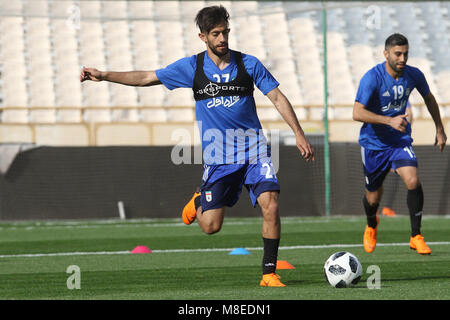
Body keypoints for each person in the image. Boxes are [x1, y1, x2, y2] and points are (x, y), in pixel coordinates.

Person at [80, 5, 314, 286]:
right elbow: (146, 77)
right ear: (203, 37)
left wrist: (298, 133)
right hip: (219, 159)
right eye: (216, 34)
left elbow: (277, 97)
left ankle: (268, 273)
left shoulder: (248, 64)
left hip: (255, 152)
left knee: (271, 204)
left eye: (225, 32)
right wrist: (104, 75)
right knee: (211, 227)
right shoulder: (192, 67)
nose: (223, 38)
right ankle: (199, 200)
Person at [353, 33, 447, 255]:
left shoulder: (413, 75)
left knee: (412, 180)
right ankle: (371, 225)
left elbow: (430, 98)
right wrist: (388, 120)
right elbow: (357, 112)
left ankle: (416, 236)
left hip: (399, 141)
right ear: (386, 54)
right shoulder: (372, 78)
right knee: (373, 197)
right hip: (373, 144)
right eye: (397, 53)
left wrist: (440, 129)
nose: (402, 58)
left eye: (405, 53)